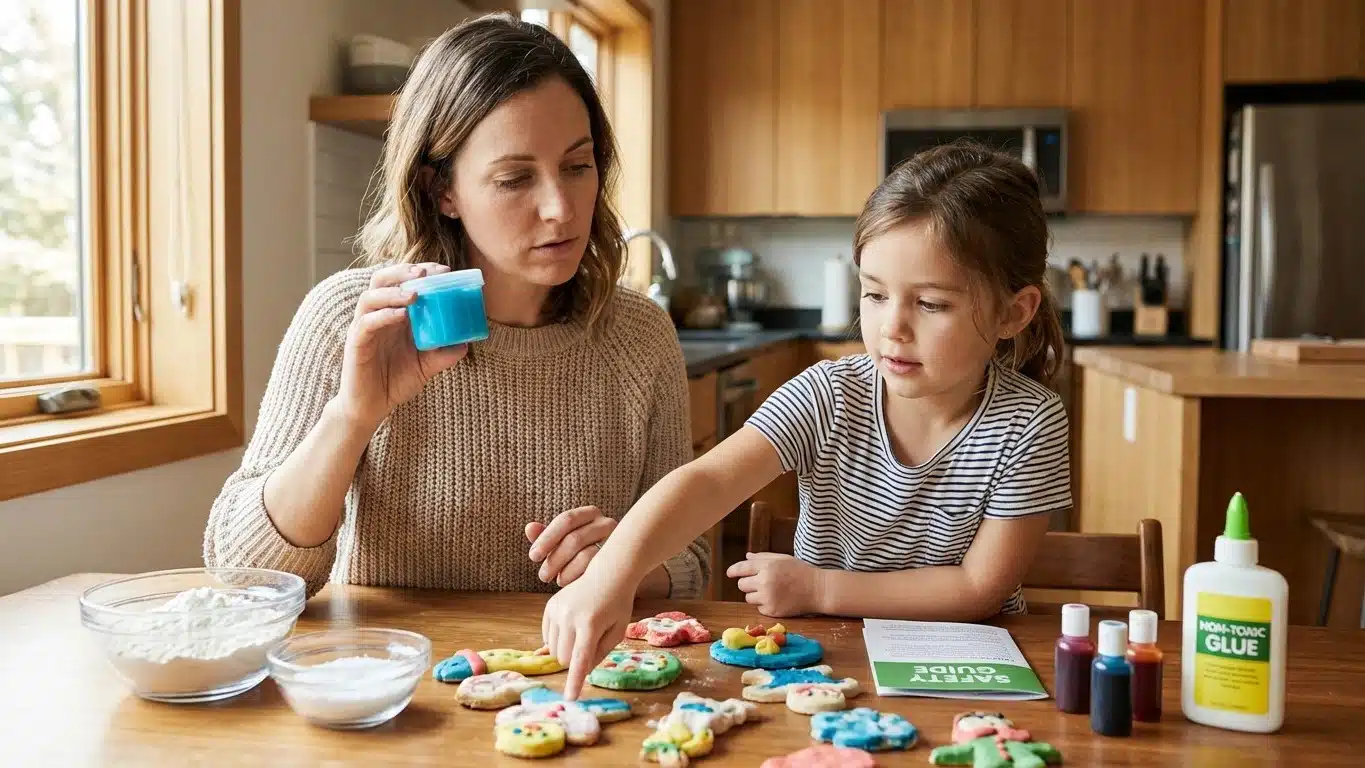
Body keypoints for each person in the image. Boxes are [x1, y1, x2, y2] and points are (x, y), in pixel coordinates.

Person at [203, 14, 709, 601]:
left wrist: (632, 562)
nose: (561, 209)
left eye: (577, 166)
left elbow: (691, 557)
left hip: (570, 685)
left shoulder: (639, 335)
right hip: (394, 679)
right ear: (442, 190)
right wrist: (351, 417)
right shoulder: (350, 321)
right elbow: (242, 573)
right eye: (516, 178)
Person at [542, 142, 1072, 699]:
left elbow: (978, 588)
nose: (892, 327)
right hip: (821, 662)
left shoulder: (1029, 422)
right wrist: (610, 576)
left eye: (932, 304)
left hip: (964, 668)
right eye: (873, 294)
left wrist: (820, 587)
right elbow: (709, 480)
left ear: (1015, 312)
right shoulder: (829, 393)